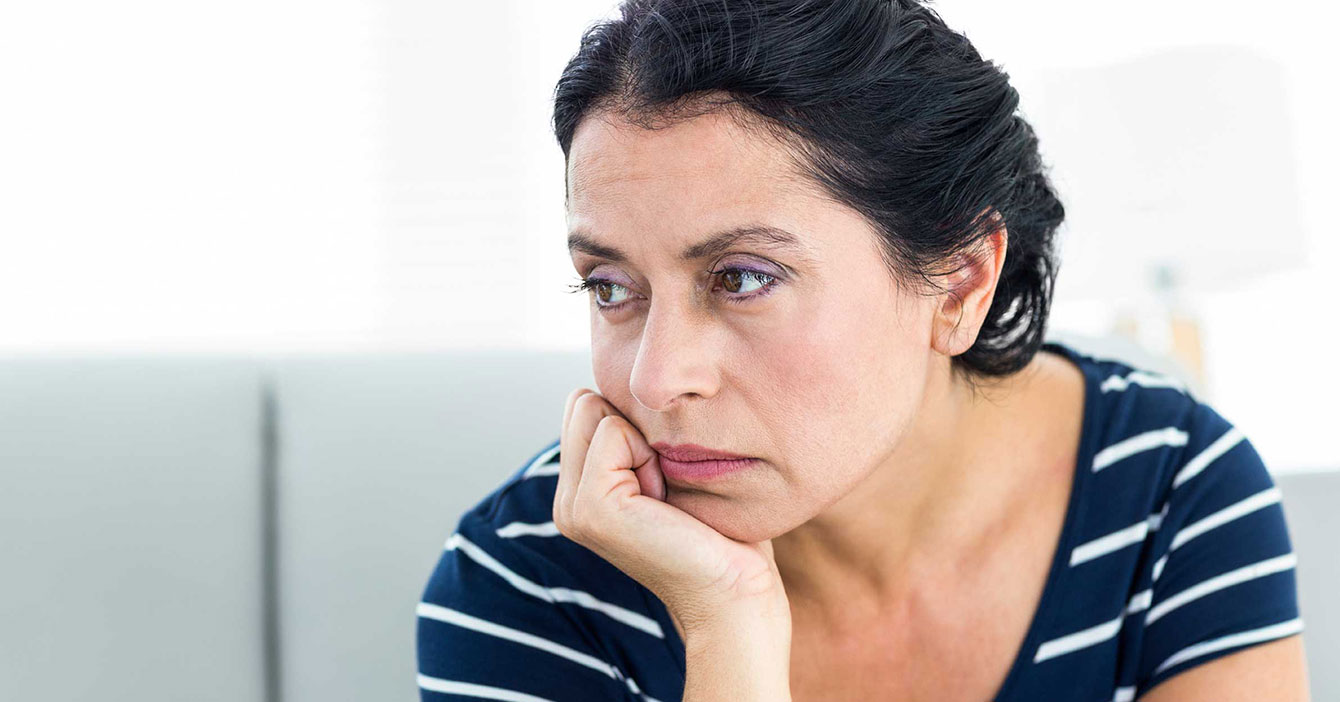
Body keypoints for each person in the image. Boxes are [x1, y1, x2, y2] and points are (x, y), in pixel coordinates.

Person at [416, 0, 1309, 699]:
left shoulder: (1171, 491)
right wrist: (728, 624)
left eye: (742, 278)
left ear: (958, 285)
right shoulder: (527, 585)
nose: (657, 379)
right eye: (610, 287)